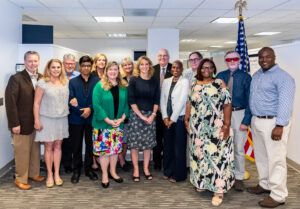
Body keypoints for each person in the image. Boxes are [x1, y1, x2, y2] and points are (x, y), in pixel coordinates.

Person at [247, 47, 295, 208]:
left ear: (274, 57)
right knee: (261, 157)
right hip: (257, 121)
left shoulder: (283, 77)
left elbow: (285, 103)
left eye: (267, 57)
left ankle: (278, 195)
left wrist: (280, 125)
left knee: (276, 160)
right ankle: (265, 184)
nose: (264, 59)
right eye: (261, 57)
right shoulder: (257, 75)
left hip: (273, 123)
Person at [185, 58, 234, 206]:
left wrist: (226, 125)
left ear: (214, 69)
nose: (207, 70)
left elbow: (227, 104)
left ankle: (218, 191)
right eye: (204, 67)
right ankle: (203, 183)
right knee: (199, 156)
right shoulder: (194, 84)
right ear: (199, 69)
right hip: (197, 129)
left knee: (217, 158)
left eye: (210, 67)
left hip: (216, 128)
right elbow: (189, 103)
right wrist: (186, 120)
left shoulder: (219, 83)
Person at [5, 51, 45, 190]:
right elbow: (10, 103)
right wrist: (14, 123)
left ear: (39, 62)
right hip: (21, 124)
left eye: (35, 61)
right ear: (25, 61)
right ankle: (20, 178)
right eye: (30, 61)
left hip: (36, 123)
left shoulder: (41, 77)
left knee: (35, 150)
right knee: (21, 152)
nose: (33, 63)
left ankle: (34, 173)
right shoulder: (16, 78)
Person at [216, 51, 252, 191]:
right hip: (222, 114)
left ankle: (239, 178)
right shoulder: (220, 76)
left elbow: (251, 100)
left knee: (238, 148)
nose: (232, 61)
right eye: (229, 59)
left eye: (235, 59)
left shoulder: (246, 77)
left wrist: (246, 120)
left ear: (239, 60)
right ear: (226, 61)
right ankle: (225, 175)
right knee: (222, 147)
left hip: (239, 114)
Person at [92, 61, 129, 188]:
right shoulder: (99, 86)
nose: (113, 72)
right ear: (106, 71)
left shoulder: (123, 86)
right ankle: (105, 175)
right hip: (103, 125)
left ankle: (113, 172)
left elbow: (126, 105)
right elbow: (97, 106)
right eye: (110, 69)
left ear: (118, 71)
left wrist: (122, 119)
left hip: (118, 125)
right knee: (104, 152)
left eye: (115, 69)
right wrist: (108, 120)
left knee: (114, 151)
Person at [33, 59, 69, 188]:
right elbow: (36, 103)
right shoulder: (42, 83)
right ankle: (49, 174)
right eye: (53, 67)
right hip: (46, 118)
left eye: (58, 67)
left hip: (62, 118)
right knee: (48, 147)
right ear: (48, 69)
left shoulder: (65, 82)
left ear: (61, 68)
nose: (56, 70)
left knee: (58, 146)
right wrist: (36, 120)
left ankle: (57, 174)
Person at [128, 56, 160, 181]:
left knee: (148, 145)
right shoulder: (134, 80)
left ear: (150, 66)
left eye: (147, 64)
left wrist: (152, 115)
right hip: (136, 116)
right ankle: (136, 169)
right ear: (138, 66)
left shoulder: (154, 81)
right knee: (135, 145)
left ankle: (146, 168)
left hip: (151, 116)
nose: (145, 66)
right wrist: (141, 116)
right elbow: (131, 100)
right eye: (142, 64)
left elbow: (156, 99)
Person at [68, 55, 99, 184]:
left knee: (90, 145)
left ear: (91, 67)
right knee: (76, 146)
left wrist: (90, 109)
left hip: (92, 118)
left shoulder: (97, 81)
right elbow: (70, 99)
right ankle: (76, 170)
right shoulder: (73, 82)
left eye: (88, 66)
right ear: (79, 67)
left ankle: (88, 169)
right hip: (76, 118)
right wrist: (81, 111)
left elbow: (98, 99)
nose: (86, 68)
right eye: (83, 66)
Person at [160, 60, 189, 182]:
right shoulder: (166, 81)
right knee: (167, 147)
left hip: (179, 119)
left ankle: (179, 175)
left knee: (179, 148)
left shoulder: (185, 81)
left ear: (182, 69)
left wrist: (172, 119)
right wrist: (165, 117)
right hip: (167, 119)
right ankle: (168, 171)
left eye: (178, 68)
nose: (175, 70)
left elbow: (183, 100)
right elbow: (162, 99)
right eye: (174, 68)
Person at [152, 48, 172, 170]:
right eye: (160, 56)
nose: (162, 58)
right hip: (155, 110)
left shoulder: (174, 68)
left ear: (168, 57)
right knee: (156, 138)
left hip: (169, 111)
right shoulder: (152, 70)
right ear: (157, 57)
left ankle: (167, 161)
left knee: (168, 138)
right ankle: (157, 162)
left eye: (165, 56)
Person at [62, 53, 80, 174]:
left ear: (75, 64)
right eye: (67, 63)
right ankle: (66, 163)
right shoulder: (58, 75)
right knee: (64, 140)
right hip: (61, 113)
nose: (69, 65)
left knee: (75, 139)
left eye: (72, 63)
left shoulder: (79, 76)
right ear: (63, 64)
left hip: (74, 113)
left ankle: (76, 162)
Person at [90, 53, 108, 171]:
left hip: (106, 111)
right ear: (95, 62)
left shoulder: (108, 75)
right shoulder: (92, 76)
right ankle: (94, 162)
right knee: (94, 138)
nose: (101, 62)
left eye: (104, 60)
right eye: (99, 60)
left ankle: (104, 161)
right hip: (93, 110)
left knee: (104, 138)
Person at [118, 57, 134, 171]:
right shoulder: (120, 79)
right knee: (120, 138)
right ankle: (122, 161)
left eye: (129, 65)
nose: (128, 67)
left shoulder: (136, 78)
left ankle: (122, 160)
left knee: (126, 139)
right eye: (125, 65)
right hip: (122, 112)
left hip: (134, 112)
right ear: (122, 67)